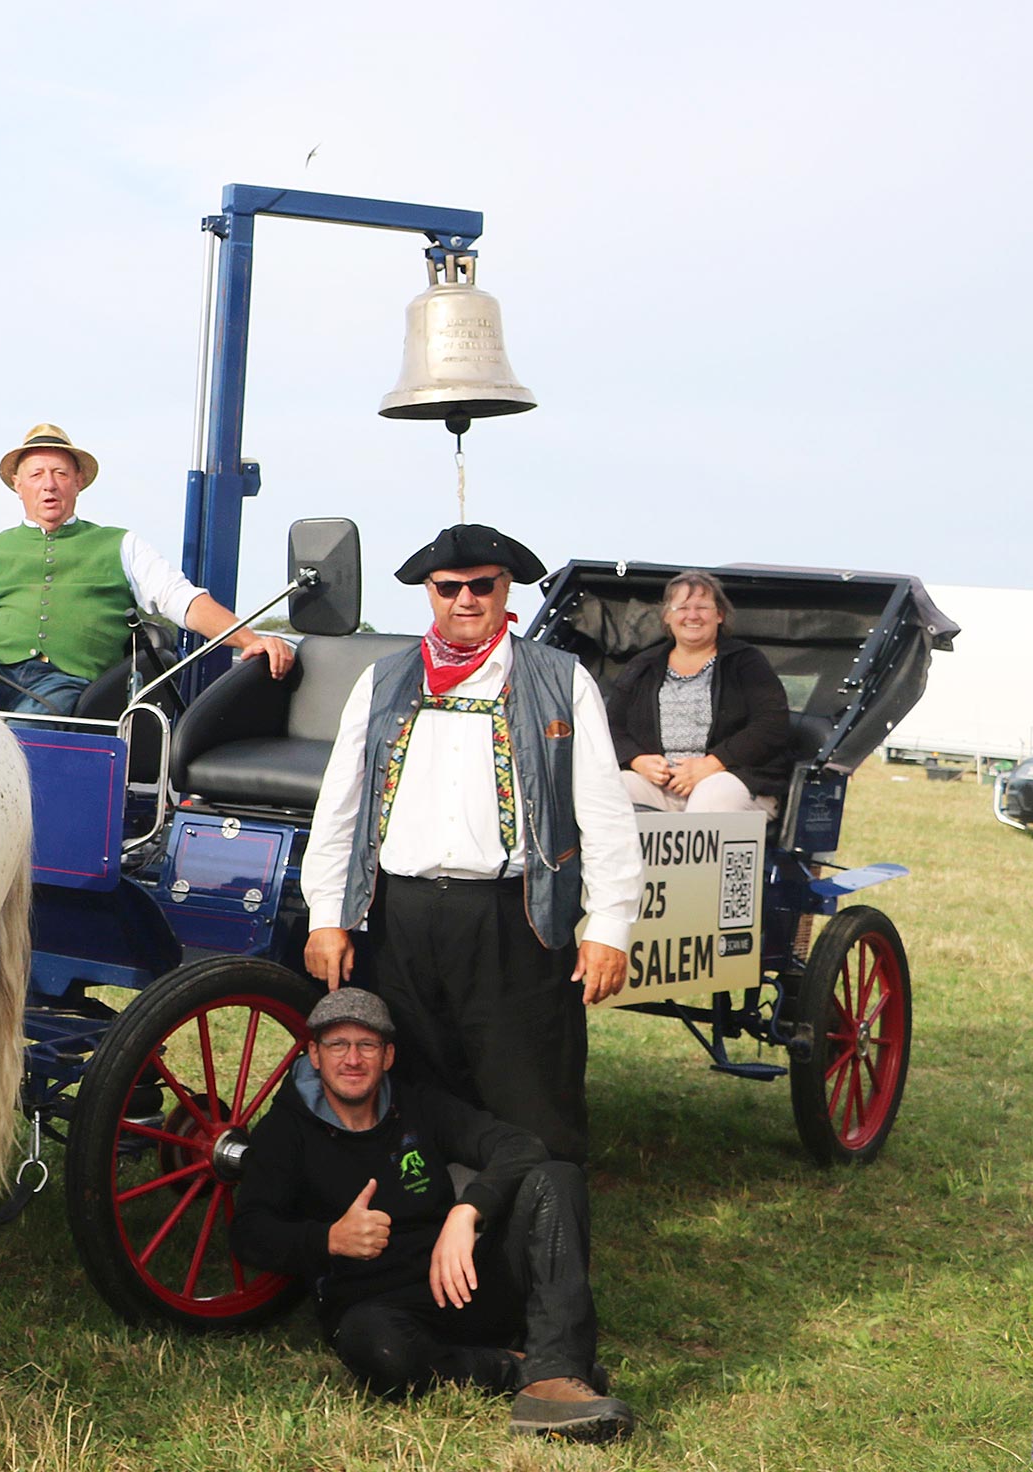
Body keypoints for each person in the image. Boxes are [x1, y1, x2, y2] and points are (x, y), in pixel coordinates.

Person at [300, 523, 641, 1164]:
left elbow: (604, 812)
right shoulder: (383, 681)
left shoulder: (560, 680)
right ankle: (426, 1247)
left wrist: (610, 925)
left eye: (481, 586)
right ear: (429, 592)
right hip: (401, 920)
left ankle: (533, 1250)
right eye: (448, 587)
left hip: (515, 922)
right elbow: (339, 810)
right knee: (415, 1098)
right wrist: (327, 918)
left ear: (504, 589)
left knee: (534, 1100)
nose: (465, 600)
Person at [234, 987, 638, 1443]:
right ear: (313, 1054)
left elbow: (520, 1146)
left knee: (557, 1178)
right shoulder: (285, 1130)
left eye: (366, 1045)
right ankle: (527, 1370)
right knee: (379, 1351)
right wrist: (328, 1239)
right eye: (337, 1045)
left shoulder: (418, 1104)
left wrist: (467, 1212)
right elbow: (249, 1233)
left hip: (460, 1280)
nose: (352, 1059)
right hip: (378, 1306)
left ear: (387, 1056)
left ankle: (557, 1374)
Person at [0, 421, 295, 714]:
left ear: (78, 482)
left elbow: (182, 600)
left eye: (60, 474)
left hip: (64, 685)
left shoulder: (121, 544)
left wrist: (248, 639)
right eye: (36, 475)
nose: (48, 484)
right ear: (18, 485)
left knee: (35, 724)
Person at [604, 569, 795, 816]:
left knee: (711, 799)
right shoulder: (643, 666)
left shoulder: (746, 662)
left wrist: (712, 764)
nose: (692, 616)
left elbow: (772, 724)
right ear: (667, 617)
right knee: (608, 792)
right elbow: (611, 725)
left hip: (730, 779)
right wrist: (637, 760)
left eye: (702, 607)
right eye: (682, 608)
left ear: (720, 615)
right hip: (659, 786)